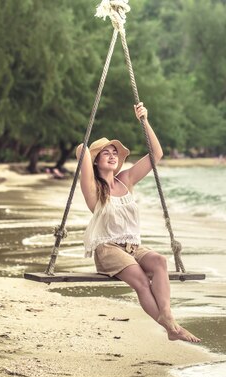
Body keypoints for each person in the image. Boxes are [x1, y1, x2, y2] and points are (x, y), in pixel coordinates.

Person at [75, 102, 200, 343]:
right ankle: (172, 329)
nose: (112, 156)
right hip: (108, 249)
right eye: (105, 153)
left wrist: (144, 120)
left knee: (159, 261)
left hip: (132, 247)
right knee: (142, 281)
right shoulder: (92, 188)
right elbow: (82, 149)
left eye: (114, 153)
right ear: (95, 161)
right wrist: (87, 150)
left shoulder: (125, 180)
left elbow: (156, 155)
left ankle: (167, 317)